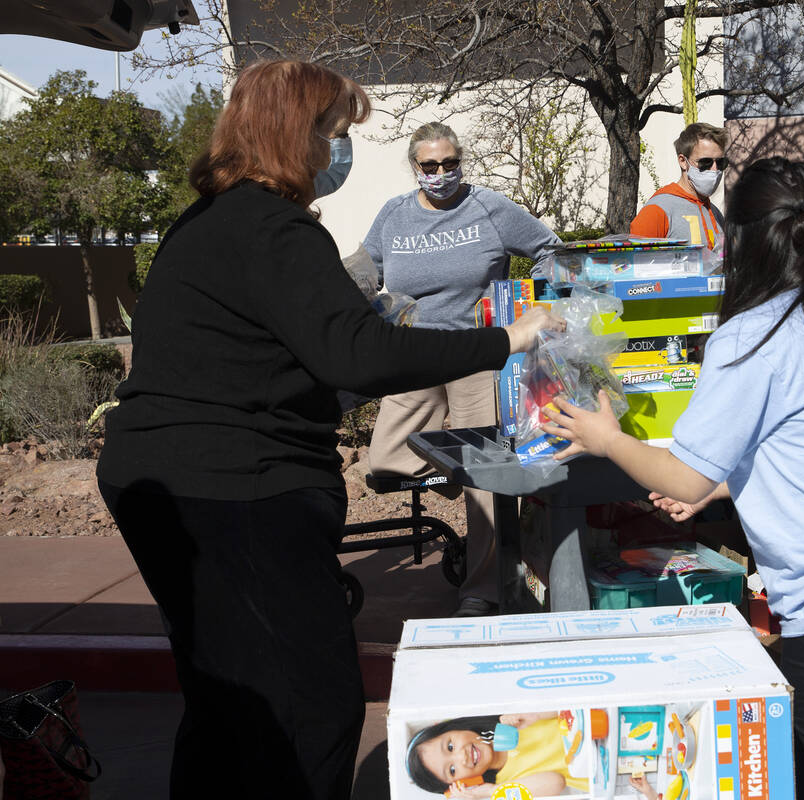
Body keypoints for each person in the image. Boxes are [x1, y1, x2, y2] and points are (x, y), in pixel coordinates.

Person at [96, 60, 559, 800]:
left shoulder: (211, 220)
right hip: (232, 492)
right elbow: (360, 356)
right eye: (337, 134)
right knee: (312, 706)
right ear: (297, 134)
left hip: (165, 477)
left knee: (227, 702)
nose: (340, 152)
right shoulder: (274, 227)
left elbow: (263, 355)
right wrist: (508, 340)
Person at [544, 157, 804, 800]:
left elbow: (682, 477)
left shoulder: (753, 334)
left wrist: (609, 440)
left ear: (739, 241)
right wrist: (725, 485)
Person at [363, 121, 561, 618]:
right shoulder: (395, 214)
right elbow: (367, 267)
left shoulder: (488, 208)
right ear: (415, 167)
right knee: (386, 464)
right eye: (430, 165)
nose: (441, 173)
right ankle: (453, 472)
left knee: (488, 486)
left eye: (450, 163)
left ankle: (483, 589)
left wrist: (525, 300)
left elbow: (548, 248)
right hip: (414, 355)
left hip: (478, 356)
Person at [406, 712, 586, 797]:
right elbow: (555, 782)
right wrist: (492, 792)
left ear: (455, 727)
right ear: (461, 784)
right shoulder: (505, 785)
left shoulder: (510, 719)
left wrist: (535, 714)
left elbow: (565, 703)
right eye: (452, 770)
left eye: (451, 746)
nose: (462, 757)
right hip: (602, 761)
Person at [629, 122, 727, 249]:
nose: (715, 169)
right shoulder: (657, 210)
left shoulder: (715, 213)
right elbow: (636, 264)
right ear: (682, 161)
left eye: (721, 162)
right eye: (705, 162)